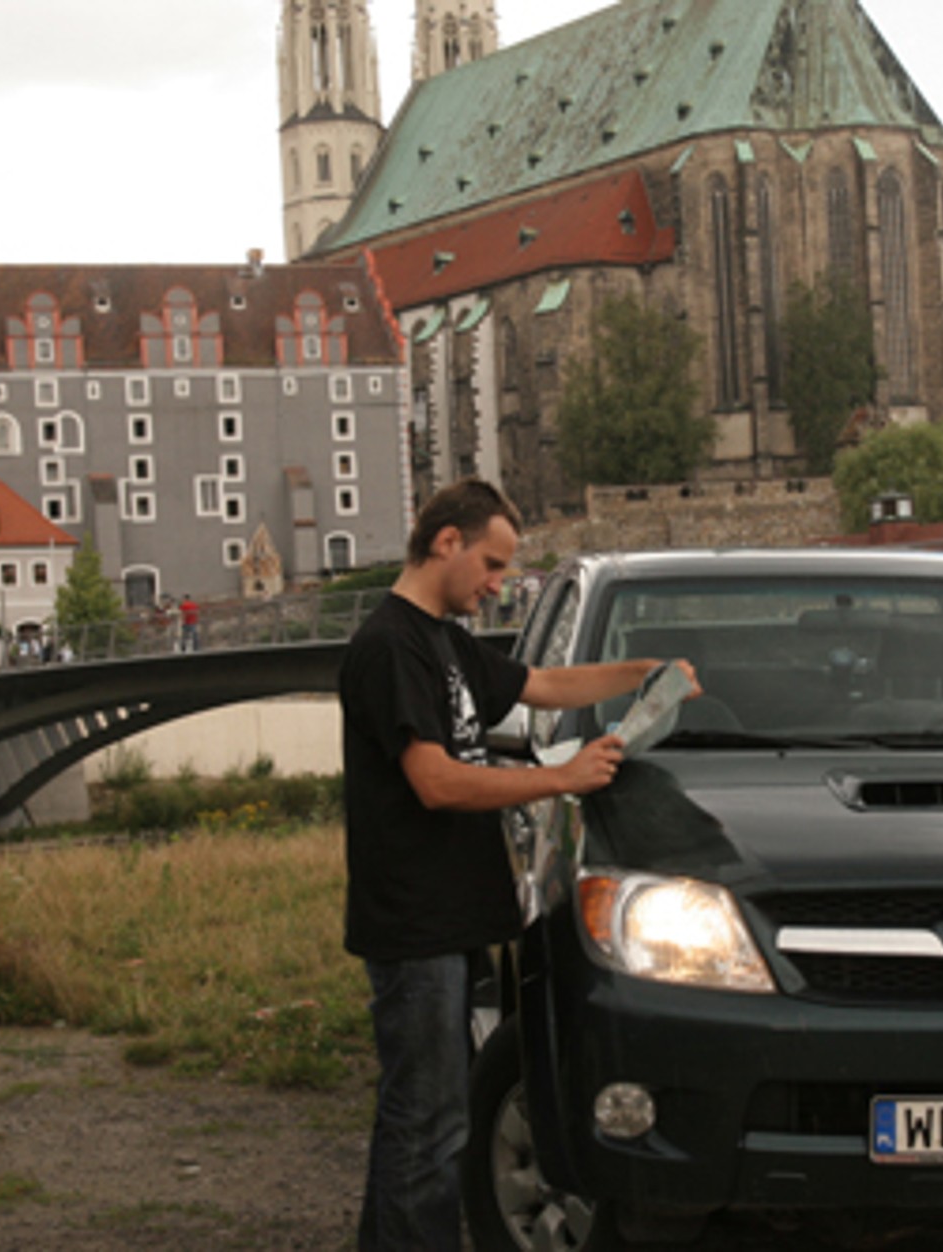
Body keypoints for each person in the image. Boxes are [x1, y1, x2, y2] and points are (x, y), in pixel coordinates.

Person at [339, 478, 696, 1252]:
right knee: (430, 1125)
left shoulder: (441, 639)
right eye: (493, 565)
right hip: (413, 922)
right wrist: (560, 778)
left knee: (419, 1115)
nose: (500, 585)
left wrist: (645, 674)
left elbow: (541, 685)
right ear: (447, 543)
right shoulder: (391, 646)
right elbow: (434, 781)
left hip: (447, 917)